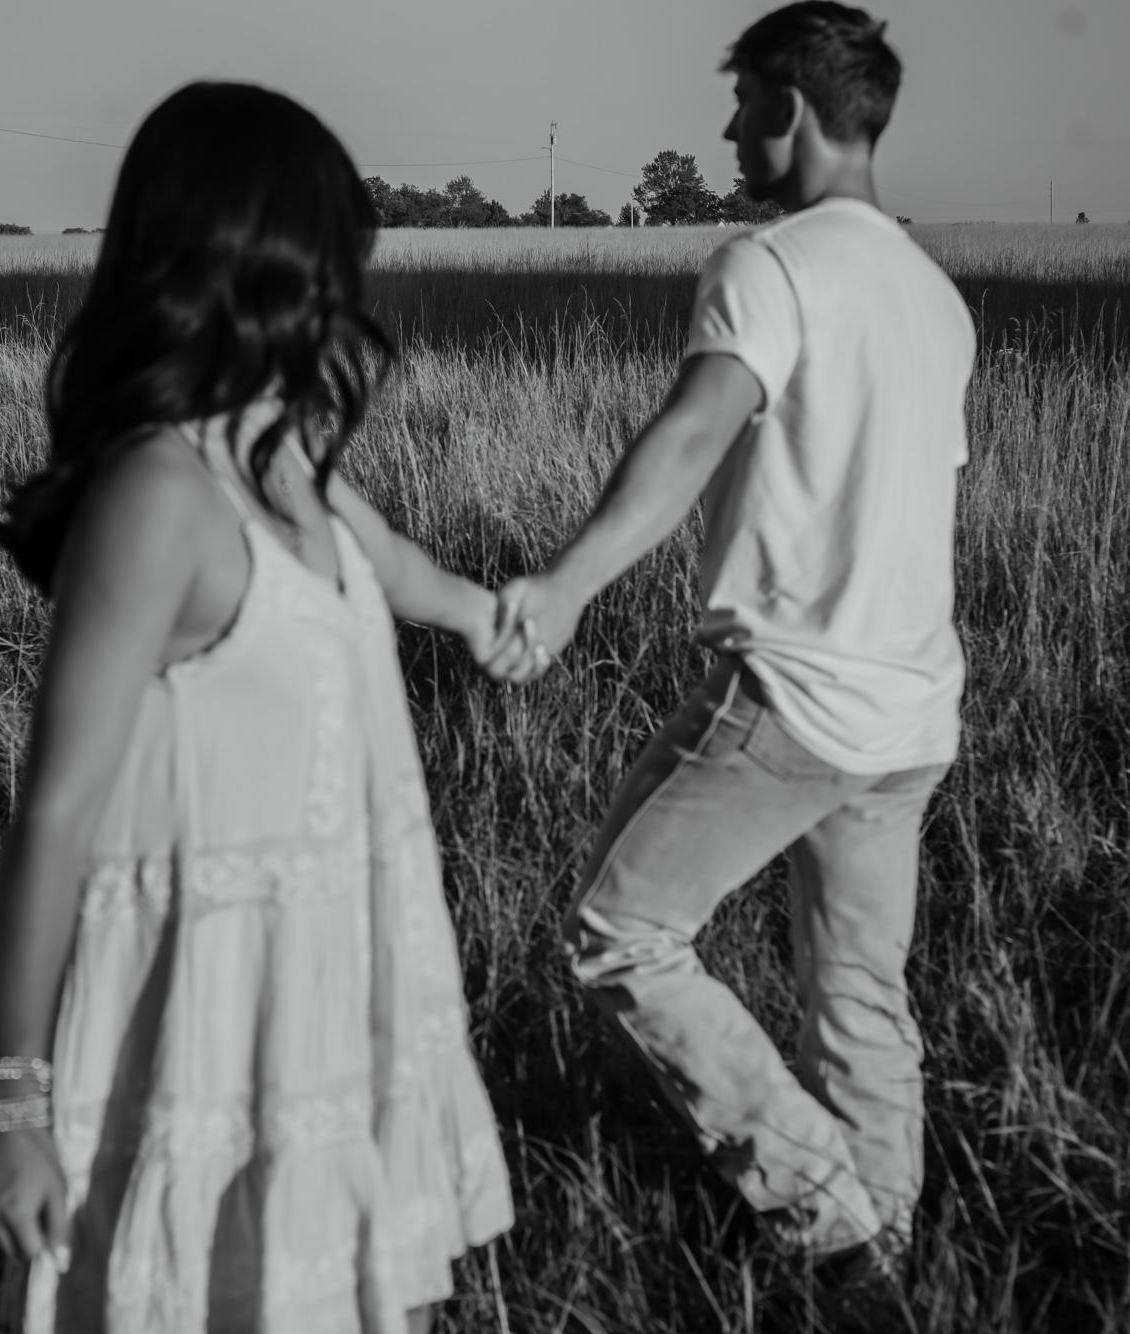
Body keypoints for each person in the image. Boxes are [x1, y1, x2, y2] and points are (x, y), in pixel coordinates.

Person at [0, 82, 513, 1334]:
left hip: (322, 1018)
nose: (347, 291)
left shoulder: (289, 464)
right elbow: (52, 818)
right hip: (195, 1037)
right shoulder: (160, 493)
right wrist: (10, 1105)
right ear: (255, 260)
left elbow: (394, 570)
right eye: (330, 255)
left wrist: (492, 615)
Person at [486, 0, 975, 1289]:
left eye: (740, 102)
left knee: (619, 930)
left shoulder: (770, 264)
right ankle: (883, 1262)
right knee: (856, 989)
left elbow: (693, 433)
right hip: (912, 712)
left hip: (795, 699)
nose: (725, 130)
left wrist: (567, 583)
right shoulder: (933, 298)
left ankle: (826, 1216)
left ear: (790, 108)